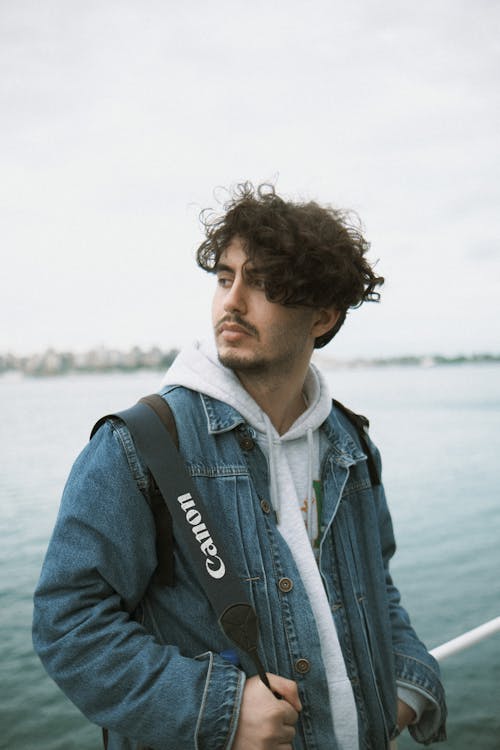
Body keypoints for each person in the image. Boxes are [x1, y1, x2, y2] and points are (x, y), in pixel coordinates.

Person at [33, 183, 447, 750]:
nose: (232, 300)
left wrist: (403, 687)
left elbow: (378, 586)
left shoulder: (350, 443)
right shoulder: (140, 444)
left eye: (264, 283)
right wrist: (216, 710)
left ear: (322, 316)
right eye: (226, 278)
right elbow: (69, 623)